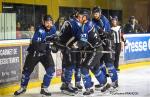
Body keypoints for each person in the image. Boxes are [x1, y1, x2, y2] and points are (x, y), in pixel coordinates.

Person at [14, 15, 57, 96]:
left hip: (45, 53)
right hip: (34, 52)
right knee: (26, 71)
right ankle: (23, 88)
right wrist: (49, 45)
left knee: (51, 70)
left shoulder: (54, 28)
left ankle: (44, 88)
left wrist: (56, 45)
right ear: (43, 22)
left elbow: (54, 39)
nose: (49, 24)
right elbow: (36, 43)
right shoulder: (40, 30)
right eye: (47, 22)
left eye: (50, 22)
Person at [78, 9, 111, 95]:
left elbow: (83, 43)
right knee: (95, 68)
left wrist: (76, 47)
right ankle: (105, 84)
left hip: (95, 50)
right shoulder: (90, 23)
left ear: (85, 17)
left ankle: (88, 89)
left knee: (84, 68)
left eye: (80, 17)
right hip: (96, 49)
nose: (78, 18)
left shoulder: (85, 26)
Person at [92, 6, 118, 90]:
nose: (95, 15)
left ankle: (115, 81)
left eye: (97, 13)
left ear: (100, 13)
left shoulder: (104, 19)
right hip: (99, 44)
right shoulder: (92, 21)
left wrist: (101, 32)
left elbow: (105, 33)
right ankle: (104, 82)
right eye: (94, 14)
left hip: (108, 43)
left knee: (109, 63)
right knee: (100, 64)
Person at [58, 9, 83, 96]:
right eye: (80, 15)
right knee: (70, 65)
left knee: (69, 65)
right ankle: (66, 85)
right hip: (68, 47)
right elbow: (76, 36)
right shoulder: (72, 22)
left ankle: (65, 84)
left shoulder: (72, 22)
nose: (81, 17)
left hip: (69, 47)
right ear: (76, 15)